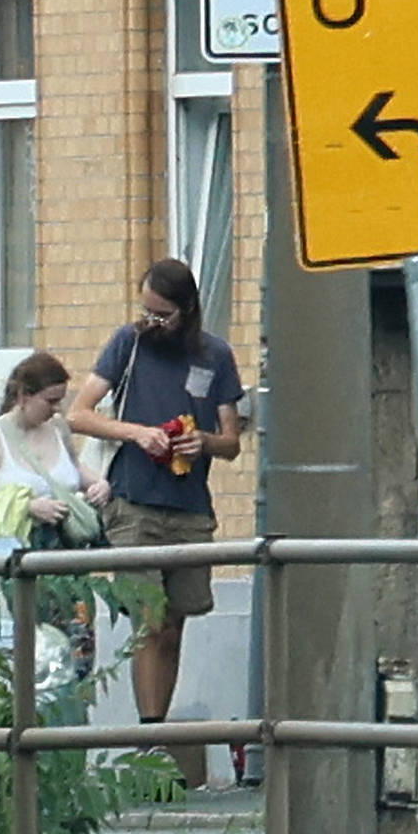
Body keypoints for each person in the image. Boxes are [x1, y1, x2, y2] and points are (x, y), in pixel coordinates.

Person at [71, 258, 246, 785]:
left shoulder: (216, 356)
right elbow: (79, 412)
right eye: (145, 310)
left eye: (161, 314)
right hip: (133, 503)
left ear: (186, 310)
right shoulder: (128, 344)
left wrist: (205, 442)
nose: (151, 321)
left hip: (189, 506)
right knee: (147, 622)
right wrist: (135, 433)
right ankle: (148, 739)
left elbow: (232, 441)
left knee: (174, 624)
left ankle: (158, 729)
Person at [0, 350, 114, 665]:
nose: (55, 409)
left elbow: (71, 471)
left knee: (77, 658)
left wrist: (98, 483)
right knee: (32, 660)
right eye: (50, 401)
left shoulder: (57, 428)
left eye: (60, 400)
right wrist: (28, 507)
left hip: (69, 564)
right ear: (23, 396)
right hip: (18, 568)